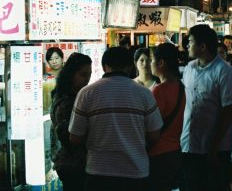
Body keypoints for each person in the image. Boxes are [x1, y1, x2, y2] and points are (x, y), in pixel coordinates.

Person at [69, 47, 163, 191]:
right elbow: (155, 135)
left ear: (103, 67)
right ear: (130, 67)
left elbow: (75, 137)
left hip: (98, 174)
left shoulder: (86, 93)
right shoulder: (145, 94)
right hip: (135, 172)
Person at [181, 25, 232, 191]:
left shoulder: (224, 71)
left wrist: (214, 144)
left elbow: (229, 110)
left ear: (203, 46)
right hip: (189, 143)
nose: (187, 46)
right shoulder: (189, 68)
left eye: (190, 42)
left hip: (215, 148)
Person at [50, 53, 92, 190]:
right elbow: (68, 136)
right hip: (72, 164)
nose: (87, 79)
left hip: (75, 162)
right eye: (83, 74)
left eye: (89, 74)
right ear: (71, 74)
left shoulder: (77, 95)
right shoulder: (66, 100)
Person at [149, 43, 186, 191]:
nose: (150, 64)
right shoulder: (181, 86)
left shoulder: (159, 91)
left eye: (152, 60)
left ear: (161, 63)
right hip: (175, 151)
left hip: (158, 154)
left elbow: (152, 126)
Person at [44, 47, 65, 113]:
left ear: (62, 59)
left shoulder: (69, 74)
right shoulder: (45, 78)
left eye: (56, 58)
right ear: (48, 62)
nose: (54, 62)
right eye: (51, 59)